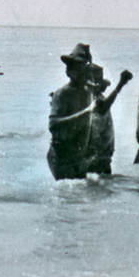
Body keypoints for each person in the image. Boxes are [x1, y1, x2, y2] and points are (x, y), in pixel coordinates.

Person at [47, 43, 95, 180]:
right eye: (78, 69)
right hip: (62, 156)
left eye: (85, 69)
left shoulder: (87, 92)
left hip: (80, 155)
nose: (83, 73)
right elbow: (53, 124)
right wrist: (86, 112)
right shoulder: (62, 94)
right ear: (69, 72)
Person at [85, 63, 133, 176]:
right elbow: (102, 108)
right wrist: (120, 84)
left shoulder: (99, 97)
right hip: (95, 159)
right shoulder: (89, 99)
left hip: (102, 157)